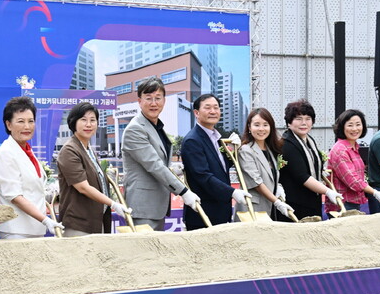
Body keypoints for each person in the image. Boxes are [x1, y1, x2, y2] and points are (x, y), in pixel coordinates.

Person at [121, 77, 200, 230]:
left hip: (156, 206)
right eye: (148, 98)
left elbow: (158, 162)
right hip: (143, 207)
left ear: (164, 101)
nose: (153, 103)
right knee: (145, 246)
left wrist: (173, 169)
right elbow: (154, 165)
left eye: (158, 98)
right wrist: (184, 191)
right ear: (139, 101)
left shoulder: (155, 126)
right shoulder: (135, 129)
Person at [0, 96, 62, 239]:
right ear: (9, 125)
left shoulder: (26, 151)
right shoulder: (6, 153)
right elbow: (15, 196)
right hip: (17, 230)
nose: (27, 126)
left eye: (31, 121)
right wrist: (45, 219)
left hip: (34, 228)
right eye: (21, 121)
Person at [56, 102, 127, 236]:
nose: (88, 124)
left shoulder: (88, 149)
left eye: (92, 120)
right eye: (83, 120)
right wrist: (113, 204)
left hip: (95, 220)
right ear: (73, 122)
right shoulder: (69, 150)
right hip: (79, 223)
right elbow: (83, 187)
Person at [180, 94, 249, 229]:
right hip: (203, 214)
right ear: (196, 113)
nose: (213, 111)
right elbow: (203, 176)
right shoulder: (192, 140)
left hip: (220, 211)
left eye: (216, 108)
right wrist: (232, 192)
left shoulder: (215, 137)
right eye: (207, 108)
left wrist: (234, 151)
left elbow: (220, 167)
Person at [279, 100, 342, 220]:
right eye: (298, 119)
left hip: (311, 201)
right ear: (289, 123)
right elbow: (302, 176)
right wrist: (328, 191)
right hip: (295, 204)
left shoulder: (309, 140)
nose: (304, 123)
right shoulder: (287, 144)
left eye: (308, 119)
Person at [326, 109, 380, 213]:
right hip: (342, 204)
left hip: (353, 202)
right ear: (342, 127)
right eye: (350, 125)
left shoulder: (354, 147)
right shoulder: (340, 150)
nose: (355, 129)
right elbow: (353, 181)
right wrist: (375, 192)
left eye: (358, 124)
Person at [236, 108, 292, 221]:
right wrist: (277, 202)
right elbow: (256, 182)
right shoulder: (246, 150)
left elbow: (272, 176)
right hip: (253, 208)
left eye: (265, 125)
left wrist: (278, 187)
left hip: (269, 207)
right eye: (257, 125)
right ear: (249, 127)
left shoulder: (270, 150)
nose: (261, 129)